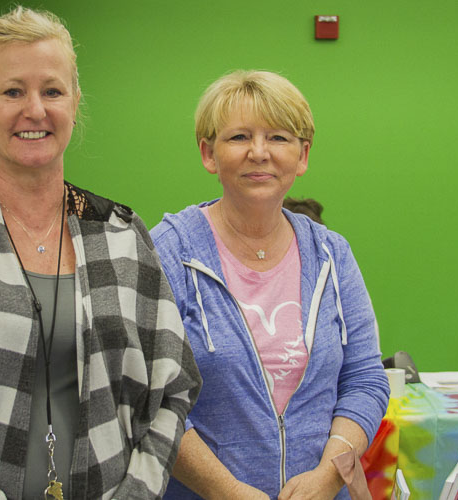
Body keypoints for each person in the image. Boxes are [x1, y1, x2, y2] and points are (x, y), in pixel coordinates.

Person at [0, 7, 200, 499]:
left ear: (74, 101)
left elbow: (172, 388)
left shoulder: (120, 233)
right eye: (12, 91)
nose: (35, 110)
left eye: (52, 91)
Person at [151, 70, 389, 499]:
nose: (259, 153)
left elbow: (365, 379)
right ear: (209, 153)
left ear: (303, 156)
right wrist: (228, 491)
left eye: (278, 138)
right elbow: (149, 396)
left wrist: (328, 477)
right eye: (239, 137)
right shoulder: (170, 251)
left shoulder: (332, 254)